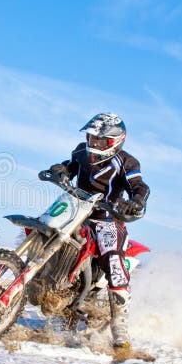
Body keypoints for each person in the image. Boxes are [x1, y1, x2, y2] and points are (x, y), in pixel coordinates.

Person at [47, 112, 149, 349]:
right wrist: (60, 169)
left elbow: (139, 186)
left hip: (106, 219)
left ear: (114, 141)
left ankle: (120, 327)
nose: (92, 144)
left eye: (98, 141)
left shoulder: (127, 162)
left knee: (113, 258)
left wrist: (137, 201)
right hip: (76, 210)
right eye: (90, 138)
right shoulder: (81, 152)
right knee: (47, 230)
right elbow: (70, 167)